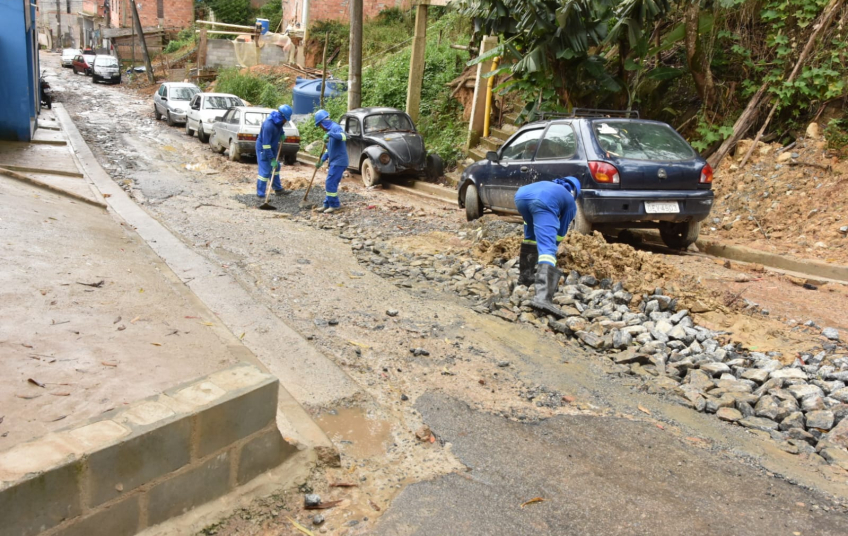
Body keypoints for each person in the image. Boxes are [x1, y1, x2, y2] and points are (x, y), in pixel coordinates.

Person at [514, 177, 581, 317]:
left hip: (520, 197)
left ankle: (525, 277)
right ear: (575, 192)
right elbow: (561, 231)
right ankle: (543, 298)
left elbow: (529, 228)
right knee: (548, 248)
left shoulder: (550, 186)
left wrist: (534, 239)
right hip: (543, 201)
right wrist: (551, 248)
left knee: (531, 237)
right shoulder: (570, 201)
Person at [313, 109, 348, 214]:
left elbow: (344, 136)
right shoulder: (329, 131)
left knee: (330, 182)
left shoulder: (335, 128)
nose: (321, 127)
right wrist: (322, 160)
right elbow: (329, 150)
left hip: (340, 161)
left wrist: (331, 134)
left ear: (323, 122)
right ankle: (327, 204)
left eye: (320, 125)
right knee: (331, 183)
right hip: (334, 161)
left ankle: (335, 205)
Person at [255, 104, 293, 198]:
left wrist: (282, 134)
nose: (285, 121)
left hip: (272, 147)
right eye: (285, 119)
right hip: (264, 148)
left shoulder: (278, 121)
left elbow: (280, 127)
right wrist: (272, 159)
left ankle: (278, 189)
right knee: (264, 172)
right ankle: (260, 194)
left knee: (276, 168)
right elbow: (266, 145)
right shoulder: (269, 125)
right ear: (282, 116)